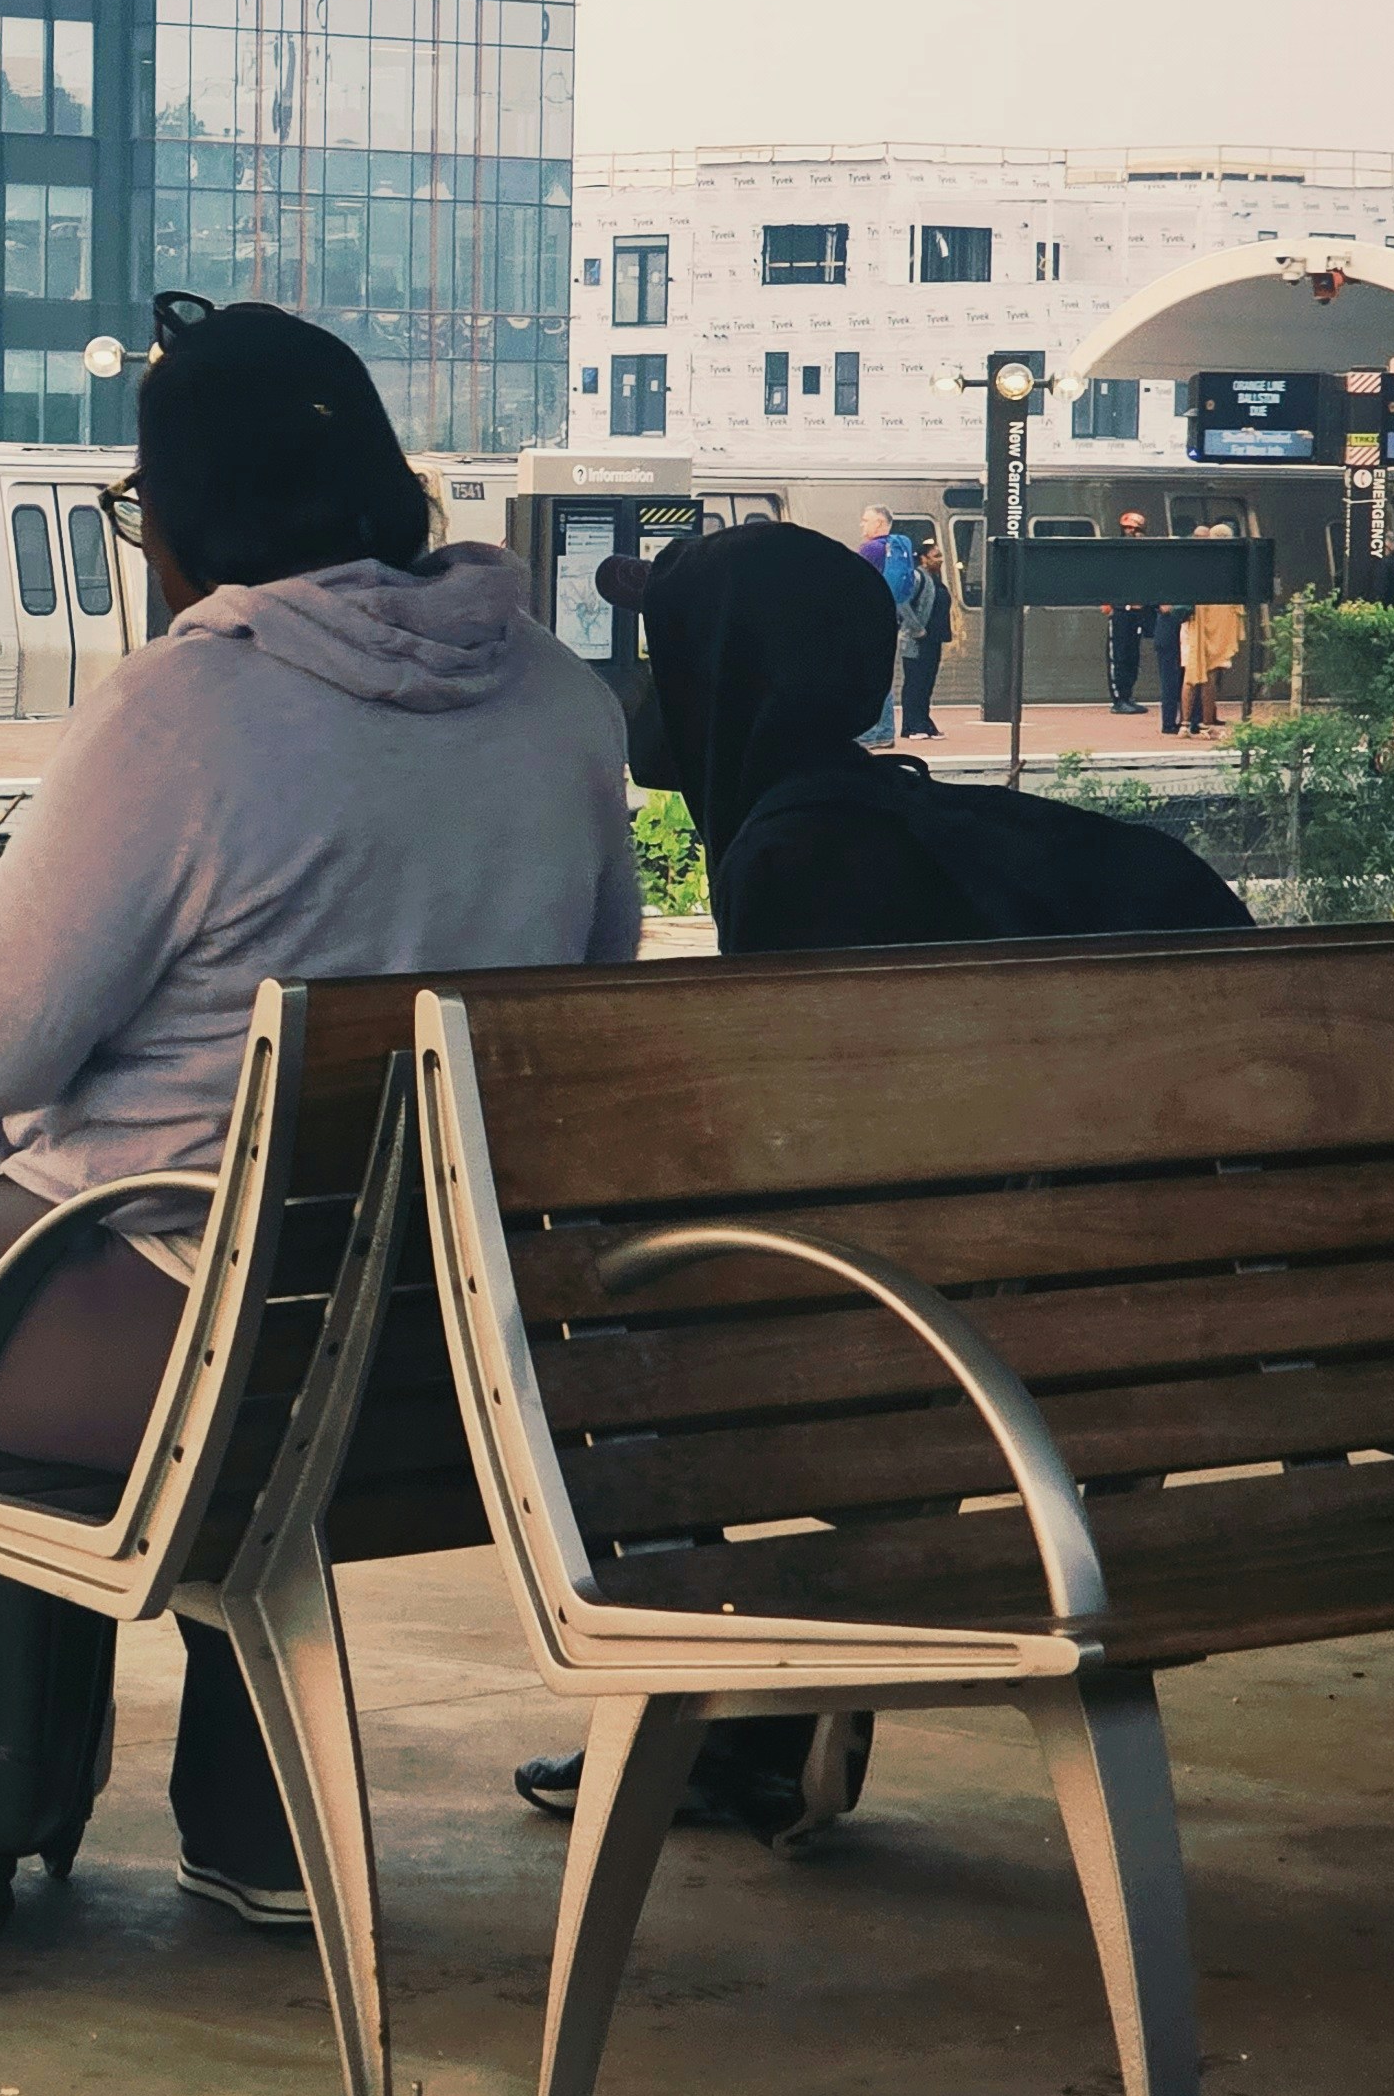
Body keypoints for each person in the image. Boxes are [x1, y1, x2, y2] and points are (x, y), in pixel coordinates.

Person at [0, 294, 640, 1978]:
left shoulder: (185, 708)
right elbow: (593, 996)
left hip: (187, 1346)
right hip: (450, 1364)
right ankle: (254, 1822)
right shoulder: (562, 701)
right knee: (287, 1245)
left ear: (184, 516)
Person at [512, 520, 1246, 1847]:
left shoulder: (799, 857)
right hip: (1109, 1317)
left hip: (942, 1336)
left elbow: (823, 1169)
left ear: (727, 682)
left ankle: (727, 1722)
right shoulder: (902, 823)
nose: (643, 691)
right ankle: (759, 1716)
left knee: (605, 1327)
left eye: (665, 657)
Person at [853, 509, 915, 746]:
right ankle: (885, 732)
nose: (862, 525)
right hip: (889, 619)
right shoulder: (895, 547)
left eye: (865, 520)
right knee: (881, 676)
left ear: (879, 523)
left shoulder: (871, 549)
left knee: (866, 677)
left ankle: (868, 733)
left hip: (869, 621)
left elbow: (856, 583)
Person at [1181, 525, 1246, 738]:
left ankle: (1185, 725)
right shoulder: (1226, 567)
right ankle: (1206, 725)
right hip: (1214, 627)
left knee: (1191, 673)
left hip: (1193, 624)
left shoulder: (1195, 563)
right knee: (1209, 674)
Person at [894, 532, 954, 740]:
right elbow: (901, 602)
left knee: (927, 682)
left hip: (933, 640)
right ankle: (911, 726)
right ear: (923, 559)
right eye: (935, 556)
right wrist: (917, 628)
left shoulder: (935, 580)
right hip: (917, 641)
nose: (940, 560)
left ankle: (924, 723)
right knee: (915, 682)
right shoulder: (917, 577)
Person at [1103, 510, 1163, 716]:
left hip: (1138, 612)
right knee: (1118, 656)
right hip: (1121, 611)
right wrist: (1108, 603)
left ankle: (1127, 695)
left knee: (1132, 657)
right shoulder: (1117, 553)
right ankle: (1118, 699)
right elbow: (1107, 577)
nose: (1131, 532)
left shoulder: (1145, 554)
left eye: (1135, 529)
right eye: (1127, 528)